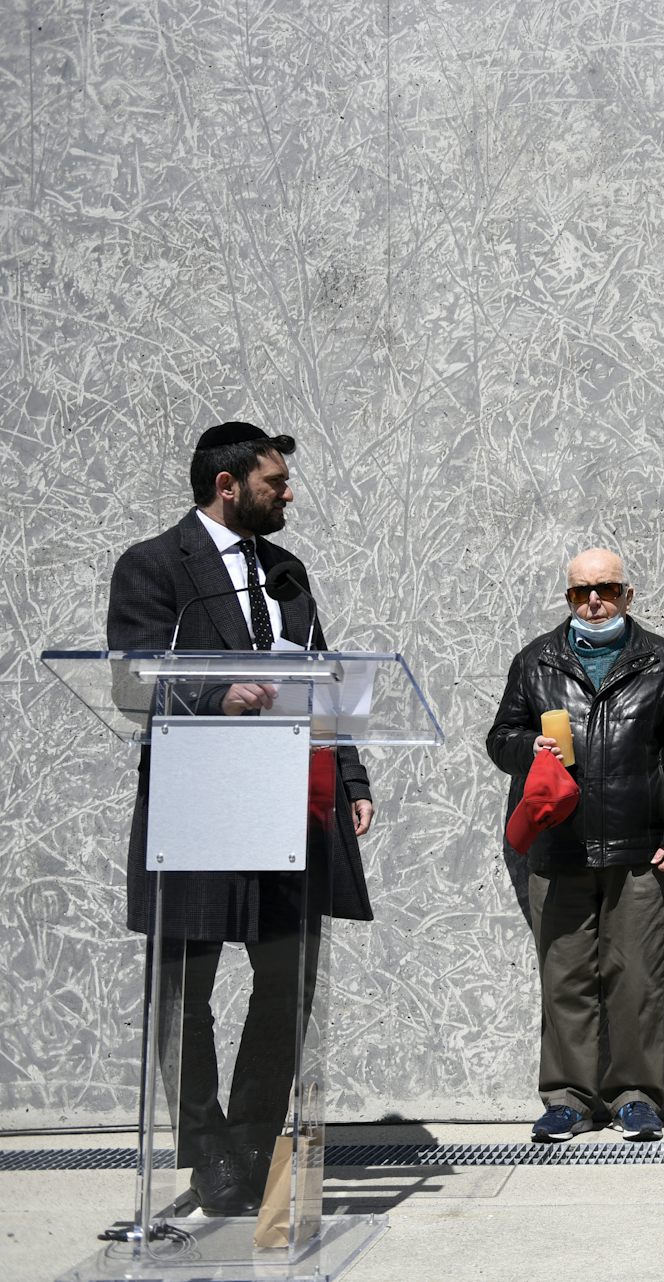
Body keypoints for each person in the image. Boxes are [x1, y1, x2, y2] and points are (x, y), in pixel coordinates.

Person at [105, 421, 377, 1217]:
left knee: (285, 981)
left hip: (288, 801)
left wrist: (352, 773)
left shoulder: (287, 571)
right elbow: (129, 681)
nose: (287, 492)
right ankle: (207, 1147)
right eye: (274, 481)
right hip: (199, 802)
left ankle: (255, 1144)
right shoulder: (156, 566)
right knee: (184, 989)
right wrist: (214, 696)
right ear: (228, 485)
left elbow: (322, 679)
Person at [486, 548, 664, 1144]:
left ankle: (635, 1097)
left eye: (605, 589)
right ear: (568, 598)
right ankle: (568, 1099)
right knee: (564, 980)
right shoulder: (536, 661)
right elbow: (499, 738)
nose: (595, 601)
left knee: (636, 981)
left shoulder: (661, 660)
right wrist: (528, 745)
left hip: (640, 852)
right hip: (560, 848)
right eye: (582, 592)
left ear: (628, 594)